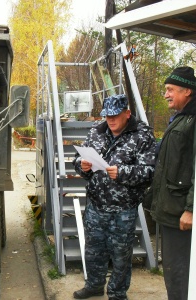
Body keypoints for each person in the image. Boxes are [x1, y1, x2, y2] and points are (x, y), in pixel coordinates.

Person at [72, 94, 156, 300]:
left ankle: (117, 293)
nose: (110, 120)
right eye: (107, 115)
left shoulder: (142, 136)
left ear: (127, 114)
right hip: (96, 205)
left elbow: (150, 172)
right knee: (93, 251)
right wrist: (81, 166)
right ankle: (94, 285)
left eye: (115, 115)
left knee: (120, 255)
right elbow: (78, 158)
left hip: (123, 209)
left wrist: (123, 173)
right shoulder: (96, 132)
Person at [145, 66, 196, 300]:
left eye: (170, 90)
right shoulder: (181, 119)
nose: (165, 94)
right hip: (171, 210)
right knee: (173, 272)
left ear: (187, 91)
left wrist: (191, 209)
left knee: (179, 273)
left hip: (181, 215)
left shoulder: (194, 120)